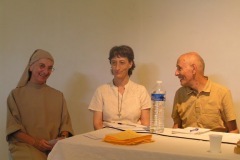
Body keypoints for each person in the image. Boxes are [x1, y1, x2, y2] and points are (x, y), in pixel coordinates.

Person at [6, 49, 74, 160]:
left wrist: (62, 138)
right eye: (42, 66)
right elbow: (13, 129)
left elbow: (65, 124)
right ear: (31, 67)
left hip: (53, 146)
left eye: (50, 68)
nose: (46, 71)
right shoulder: (15, 95)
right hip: (26, 146)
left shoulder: (58, 96)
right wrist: (36, 143)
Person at [172, 52, 239, 133]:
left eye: (179, 68)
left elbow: (233, 130)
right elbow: (176, 126)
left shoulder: (222, 93)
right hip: (187, 144)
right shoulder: (179, 93)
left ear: (193, 69)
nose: (176, 73)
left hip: (215, 144)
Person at [88, 45, 151, 130]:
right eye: (114, 62)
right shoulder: (101, 91)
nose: (117, 67)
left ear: (130, 64)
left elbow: (145, 123)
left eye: (122, 62)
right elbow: (97, 124)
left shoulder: (140, 90)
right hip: (106, 137)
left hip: (133, 137)